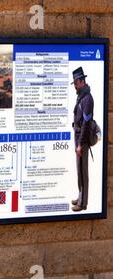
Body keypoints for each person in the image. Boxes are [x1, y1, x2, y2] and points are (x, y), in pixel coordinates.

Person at [71, 67, 93, 212]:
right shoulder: (81, 96)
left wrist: (80, 144)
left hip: (82, 140)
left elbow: (86, 123)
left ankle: (83, 203)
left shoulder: (87, 99)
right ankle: (80, 196)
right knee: (79, 170)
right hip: (78, 137)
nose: (74, 86)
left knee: (83, 172)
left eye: (75, 83)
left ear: (81, 81)